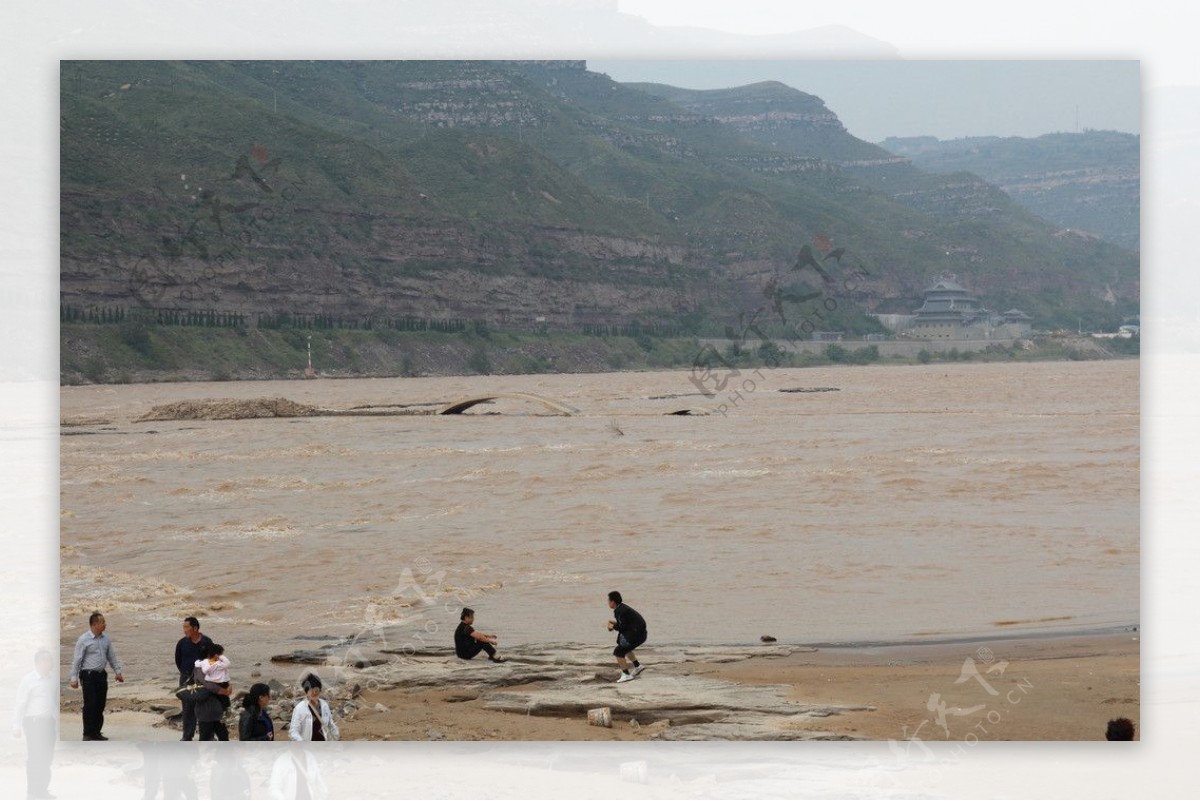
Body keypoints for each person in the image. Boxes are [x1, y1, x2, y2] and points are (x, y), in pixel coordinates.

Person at [69, 611, 124, 740]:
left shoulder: (106, 639)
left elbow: (112, 657)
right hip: (88, 676)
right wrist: (73, 678)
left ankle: (97, 732)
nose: (105, 624)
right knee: (90, 704)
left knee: (100, 704)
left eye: (104, 622)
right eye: (102, 622)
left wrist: (118, 672)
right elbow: (77, 660)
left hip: (101, 675)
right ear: (94, 624)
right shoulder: (83, 639)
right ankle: (87, 733)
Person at [14, 649, 57, 799]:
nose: (51, 664)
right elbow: (20, 703)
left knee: (47, 757)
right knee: (35, 757)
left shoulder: (52, 679)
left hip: (49, 723)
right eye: (47, 661)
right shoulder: (28, 680)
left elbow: (54, 702)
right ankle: (33, 791)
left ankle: (43, 789)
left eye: (51, 661)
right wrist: (16, 726)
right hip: (33, 723)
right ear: (38, 663)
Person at [174, 616, 213, 741]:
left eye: (186, 627)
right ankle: (187, 735)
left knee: (205, 708)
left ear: (195, 628)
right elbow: (178, 660)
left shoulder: (207, 642)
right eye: (183, 627)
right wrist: (186, 674)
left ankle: (208, 736)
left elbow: (213, 661)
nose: (184, 630)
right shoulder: (182, 643)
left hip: (204, 679)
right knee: (187, 708)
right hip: (186, 679)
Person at [606, 591, 647, 683]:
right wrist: (615, 624)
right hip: (640, 634)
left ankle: (626, 675)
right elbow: (626, 624)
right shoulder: (622, 608)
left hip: (637, 635)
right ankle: (637, 666)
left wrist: (613, 626)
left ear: (613, 602)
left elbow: (623, 627)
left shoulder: (619, 611)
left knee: (618, 651)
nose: (608, 602)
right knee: (623, 645)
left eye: (608, 600)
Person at [288, 674, 338, 741]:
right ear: (306, 692)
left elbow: (331, 725)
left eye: (316, 690)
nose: (314, 693)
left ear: (320, 690)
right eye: (311, 690)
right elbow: (293, 732)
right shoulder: (299, 709)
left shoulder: (324, 705)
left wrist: (335, 738)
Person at [192, 660, 233, 741]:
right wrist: (225, 691)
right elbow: (210, 686)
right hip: (206, 710)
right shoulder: (199, 669)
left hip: (216, 710)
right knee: (206, 737)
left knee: (223, 735)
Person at [195, 643, 232, 710]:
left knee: (225, 708)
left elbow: (224, 675)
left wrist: (228, 685)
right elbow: (209, 685)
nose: (220, 657)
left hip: (220, 692)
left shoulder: (216, 663)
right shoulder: (201, 667)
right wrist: (226, 692)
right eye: (220, 655)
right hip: (211, 697)